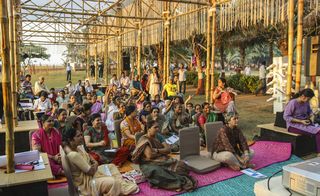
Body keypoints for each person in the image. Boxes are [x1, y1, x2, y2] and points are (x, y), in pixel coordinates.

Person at [131, 120, 197, 192]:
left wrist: (157, 150)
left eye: (158, 127)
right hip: (148, 164)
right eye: (155, 127)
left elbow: (168, 149)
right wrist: (162, 151)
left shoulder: (158, 136)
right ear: (148, 129)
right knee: (159, 173)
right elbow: (149, 156)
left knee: (182, 166)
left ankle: (174, 180)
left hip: (161, 159)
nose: (157, 129)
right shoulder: (144, 139)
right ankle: (177, 183)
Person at [62, 126, 122, 195]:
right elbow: (91, 172)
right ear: (70, 140)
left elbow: (89, 156)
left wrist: (94, 162)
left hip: (92, 169)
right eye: (78, 136)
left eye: (81, 135)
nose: (82, 137)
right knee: (114, 182)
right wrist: (95, 163)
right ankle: (116, 185)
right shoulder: (73, 155)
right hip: (88, 184)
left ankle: (117, 184)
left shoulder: (77, 147)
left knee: (111, 166)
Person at [284, 88, 320, 155]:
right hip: (293, 126)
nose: (309, 100)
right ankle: (319, 152)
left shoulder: (306, 102)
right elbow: (286, 117)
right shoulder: (293, 103)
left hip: (304, 123)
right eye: (308, 99)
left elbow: (310, 112)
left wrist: (311, 117)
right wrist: (301, 121)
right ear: (303, 96)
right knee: (318, 131)